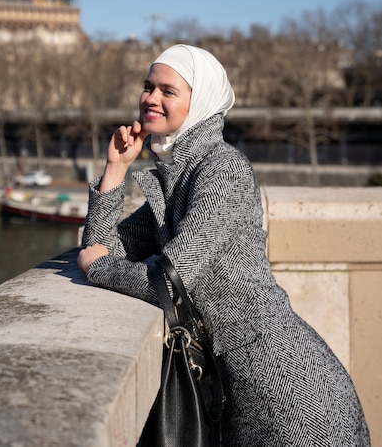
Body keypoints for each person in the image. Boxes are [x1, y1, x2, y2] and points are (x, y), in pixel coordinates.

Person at [78, 44, 370, 447]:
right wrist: (115, 169)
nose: (151, 98)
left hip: (288, 388)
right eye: (149, 87)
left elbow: (165, 278)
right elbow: (98, 247)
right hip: (235, 381)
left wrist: (101, 269)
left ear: (200, 103)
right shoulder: (174, 178)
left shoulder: (222, 169)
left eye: (168, 90)